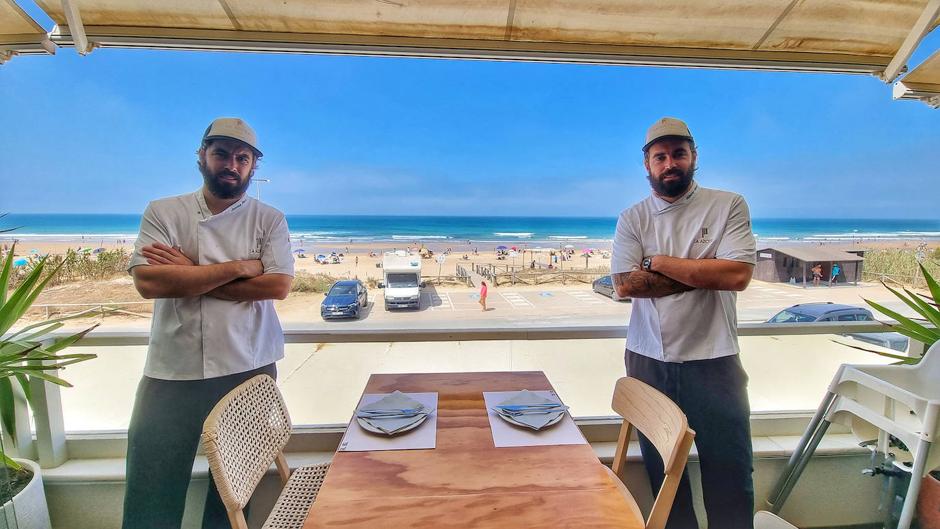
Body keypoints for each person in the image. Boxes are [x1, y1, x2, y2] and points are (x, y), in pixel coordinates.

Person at [122, 117, 293, 529]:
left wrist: (191, 273)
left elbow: (278, 286)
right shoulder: (164, 211)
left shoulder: (268, 218)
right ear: (202, 156)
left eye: (242, 157)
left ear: (253, 166)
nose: (230, 164)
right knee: (152, 483)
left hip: (248, 363)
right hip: (172, 369)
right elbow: (149, 281)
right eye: (221, 154)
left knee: (236, 491)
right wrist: (239, 267)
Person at [611, 117, 756, 529]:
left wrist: (658, 263)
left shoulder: (728, 204)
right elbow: (625, 285)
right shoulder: (633, 218)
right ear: (647, 165)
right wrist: (705, 270)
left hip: (716, 361)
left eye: (678, 153)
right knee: (665, 478)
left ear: (694, 157)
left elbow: (736, 276)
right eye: (660, 156)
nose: (669, 162)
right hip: (648, 360)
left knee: (730, 473)